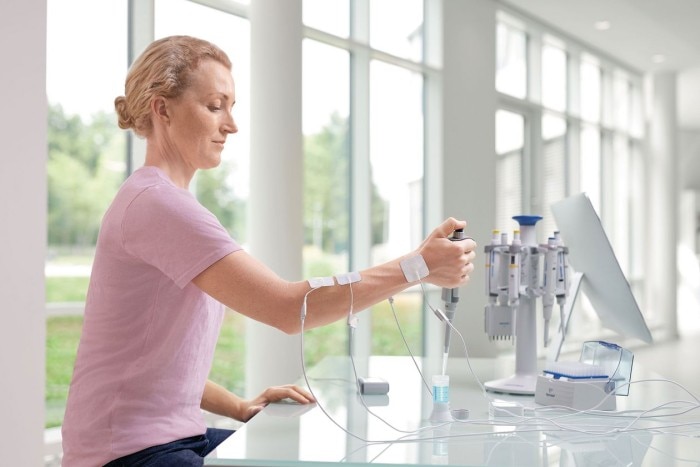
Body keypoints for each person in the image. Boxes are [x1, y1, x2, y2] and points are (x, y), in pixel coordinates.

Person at [61, 35, 477, 467]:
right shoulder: (157, 205)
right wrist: (418, 266)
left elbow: (149, 361)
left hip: (170, 438)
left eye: (232, 106)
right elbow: (289, 307)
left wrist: (239, 406)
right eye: (215, 105)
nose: (231, 124)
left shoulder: (159, 201)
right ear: (162, 109)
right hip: (127, 455)